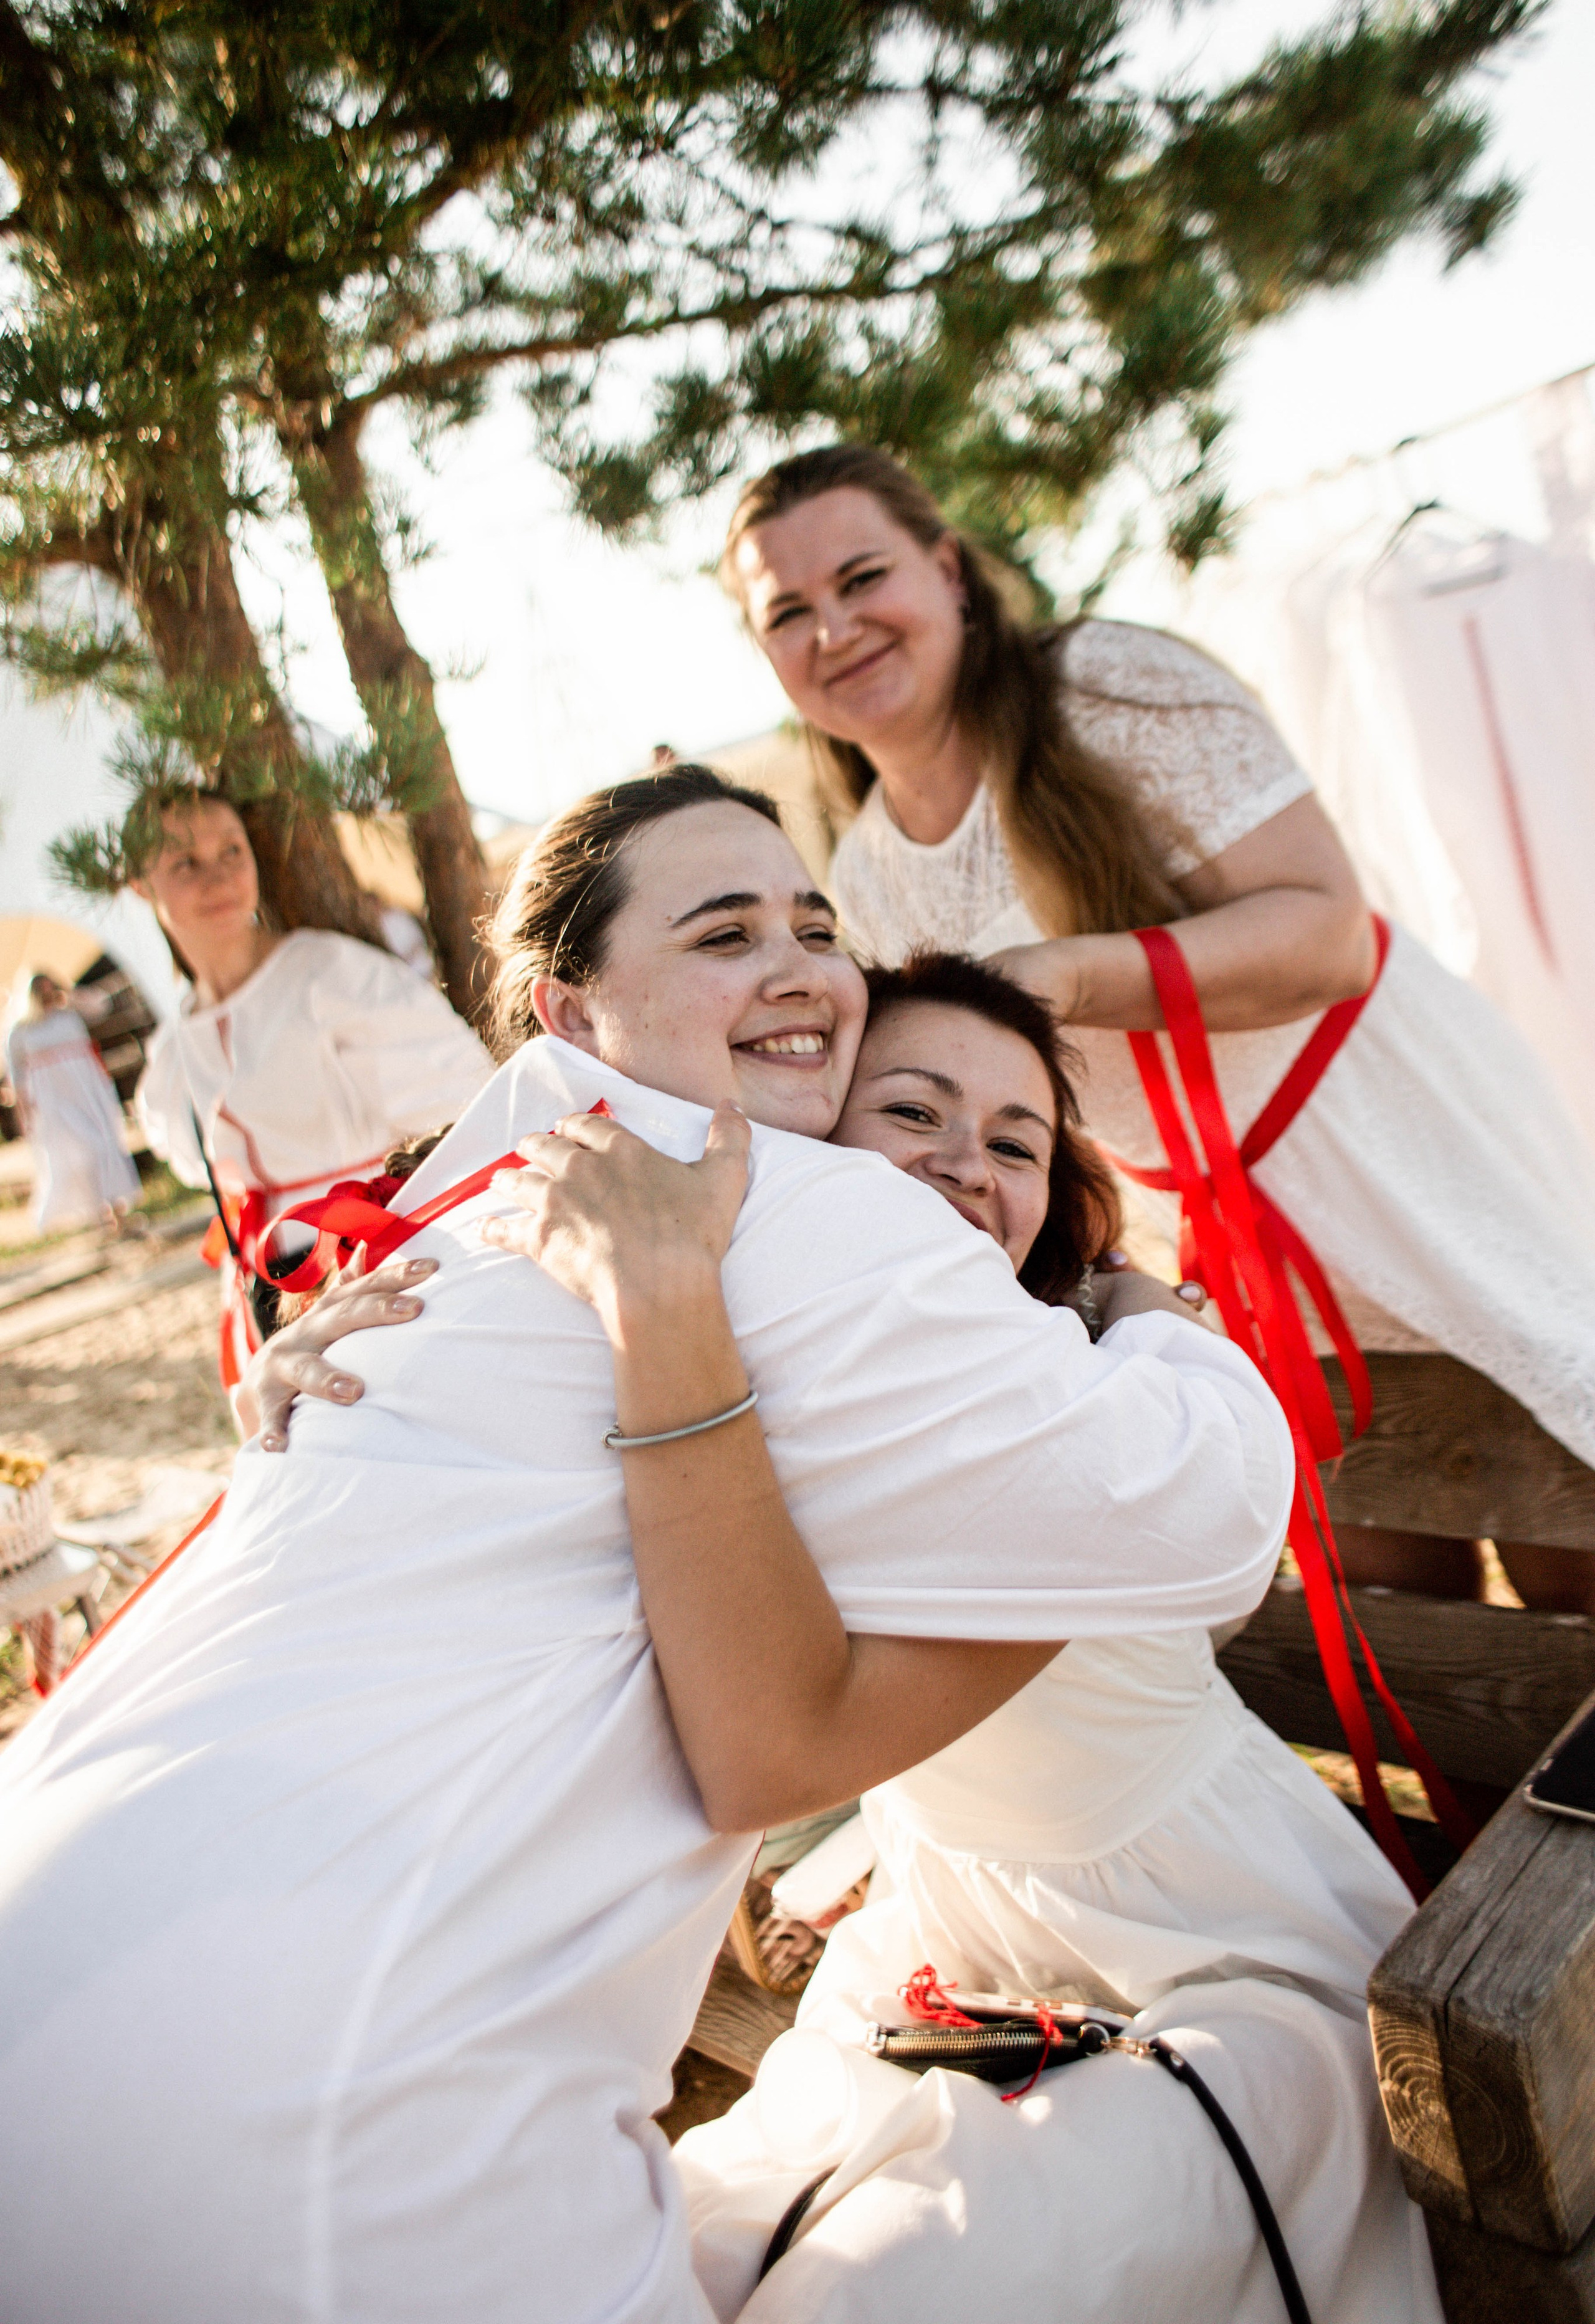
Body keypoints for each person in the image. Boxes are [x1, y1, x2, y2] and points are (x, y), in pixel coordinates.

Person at [0, 767, 1290, 2324]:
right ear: (565, 1007)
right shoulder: (805, 1212)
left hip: (57, 1929)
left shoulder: (476, 1221)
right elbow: (1210, 1507)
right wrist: (1163, 1322)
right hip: (350, 2087)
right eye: (723, 933)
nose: (799, 963)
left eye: (814, 924)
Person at [269, 950, 1436, 2322]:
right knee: (690, 2259)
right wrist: (332, 1383)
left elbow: (787, 1734)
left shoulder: (1062, 1398)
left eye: (1017, 1143)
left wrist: (1131, 1300)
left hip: (1222, 1965)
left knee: (880, 2297)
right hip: (945, 1943)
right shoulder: (749, 1347)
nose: (965, 1163)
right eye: (911, 1111)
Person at [721, 443, 1595, 1614]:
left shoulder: (1107, 683)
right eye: (789, 613)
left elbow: (1329, 932)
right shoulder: (868, 868)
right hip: (1208, 1227)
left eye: (863, 577)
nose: (835, 627)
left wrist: (1067, 975)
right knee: (1390, 1580)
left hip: (1384, 1141)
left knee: (1565, 1536)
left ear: (947, 570)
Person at [132, 791, 495, 1389]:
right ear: (142, 887)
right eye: (185, 864)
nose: (217, 875)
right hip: (264, 1285)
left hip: (369, 1257)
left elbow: (463, 1100)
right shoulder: (173, 1044)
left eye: (231, 851)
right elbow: (191, 1157)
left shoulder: (328, 976)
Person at [3, 970, 140, 1235]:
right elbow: (16, 1077)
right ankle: (98, 1215)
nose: (47, 996)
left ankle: (117, 1212)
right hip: (53, 1103)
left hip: (88, 1094)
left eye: (50, 989)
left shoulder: (69, 1016)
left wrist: (70, 993)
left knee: (105, 1147)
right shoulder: (19, 1031)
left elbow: (100, 1006)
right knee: (81, 1155)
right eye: (41, 992)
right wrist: (24, 1113)